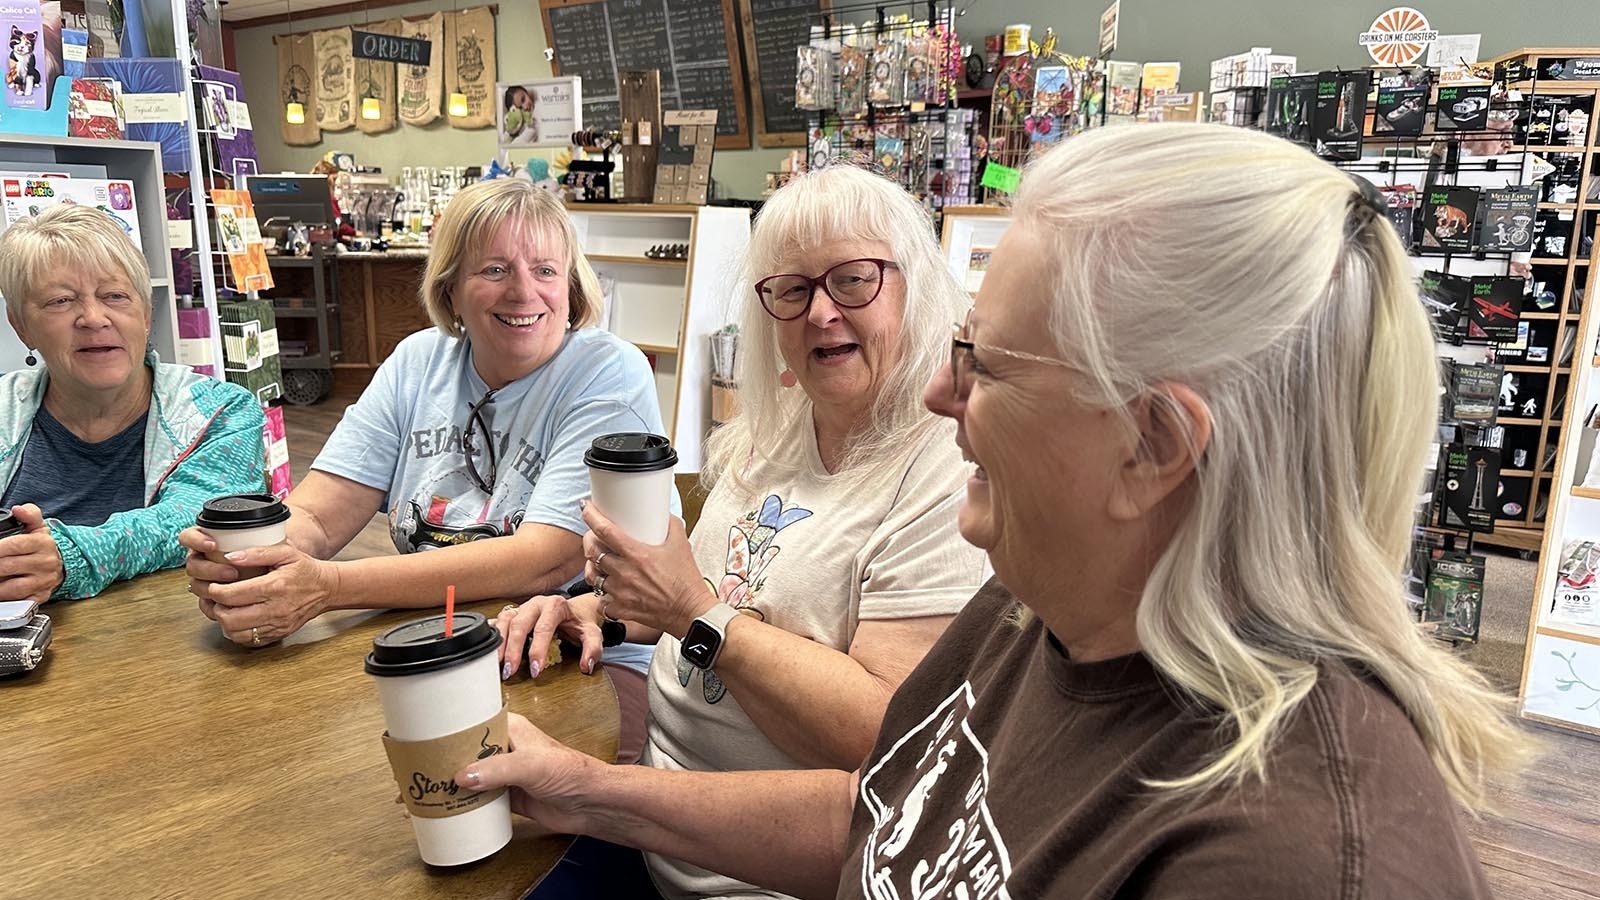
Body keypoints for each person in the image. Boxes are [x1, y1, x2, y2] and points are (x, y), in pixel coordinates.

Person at [455, 125, 1529, 899]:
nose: (938, 393)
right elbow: (885, 813)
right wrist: (596, 793)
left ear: (1151, 446)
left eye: (985, 363)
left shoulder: (1290, 859)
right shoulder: (1032, 610)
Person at [493, 164, 987, 898]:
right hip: (648, 817)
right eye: (793, 290)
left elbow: (886, 739)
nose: (820, 312)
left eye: (853, 280)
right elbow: (716, 593)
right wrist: (590, 612)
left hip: (746, 874)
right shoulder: (776, 432)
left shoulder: (944, 470)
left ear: (915, 286)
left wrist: (693, 612)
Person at [179, 179, 671, 762]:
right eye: (493, 269)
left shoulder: (607, 371)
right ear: (451, 289)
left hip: (579, 656)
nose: (523, 292)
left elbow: (546, 558)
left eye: (545, 270)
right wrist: (255, 567)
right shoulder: (418, 361)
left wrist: (325, 587)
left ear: (571, 286)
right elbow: (316, 512)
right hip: (438, 647)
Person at [0, 204, 264, 602]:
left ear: (145, 313)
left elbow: (200, 520)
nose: (93, 317)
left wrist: (71, 557)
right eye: (60, 301)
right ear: (21, 325)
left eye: (115, 296)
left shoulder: (219, 412)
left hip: (177, 646)